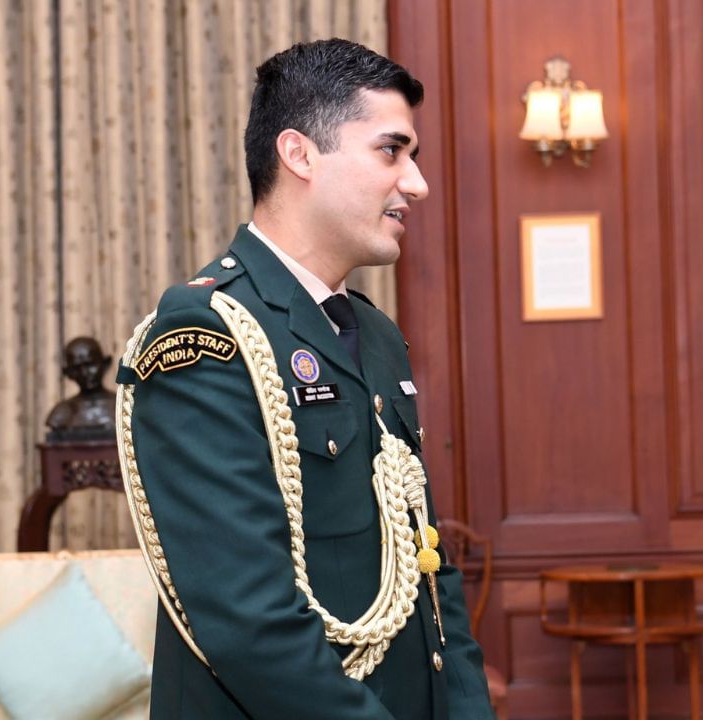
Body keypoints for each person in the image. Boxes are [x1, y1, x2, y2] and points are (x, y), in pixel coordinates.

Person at [115, 39, 493, 719]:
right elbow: (249, 625)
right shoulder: (204, 338)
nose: (416, 182)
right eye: (390, 150)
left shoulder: (373, 333)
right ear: (299, 155)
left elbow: (431, 574)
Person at [45, 336, 115, 440]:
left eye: (90, 364)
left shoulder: (124, 406)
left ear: (105, 364)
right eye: (76, 368)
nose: (84, 373)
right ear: (68, 373)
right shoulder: (61, 414)